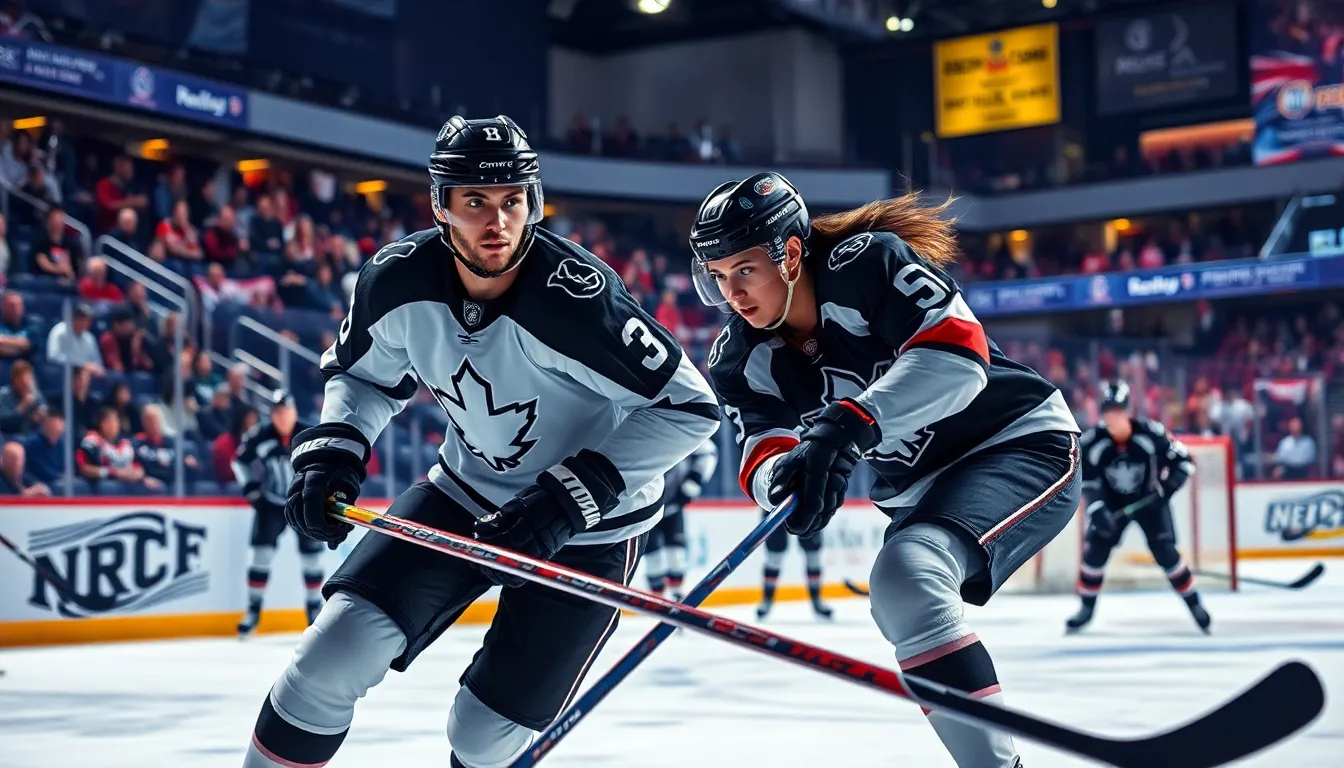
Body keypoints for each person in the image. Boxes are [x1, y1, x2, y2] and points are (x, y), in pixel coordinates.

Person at [242, 116, 719, 768]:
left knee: (482, 736)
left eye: (512, 200)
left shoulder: (579, 299)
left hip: (590, 529)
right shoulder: (395, 279)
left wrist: (569, 498)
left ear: (534, 202)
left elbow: (689, 406)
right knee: (325, 664)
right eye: (475, 202)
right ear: (440, 205)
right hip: (465, 493)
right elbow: (362, 376)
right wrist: (337, 448)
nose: (498, 222)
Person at [690, 172, 1080, 768]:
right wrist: (785, 480)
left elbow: (959, 358)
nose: (733, 294)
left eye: (745, 269)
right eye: (718, 277)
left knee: (908, 575)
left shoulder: (867, 263)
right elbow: (760, 453)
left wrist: (852, 422)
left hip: (1015, 441)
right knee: (901, 587)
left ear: (790, 254)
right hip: (921, 488)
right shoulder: (740, 357)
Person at [1067, 381, 1209, 634]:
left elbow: (1184, 461)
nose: (1113, 417)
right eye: (1108, 411)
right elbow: (1084, 480)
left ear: (1128, 411)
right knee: (1095, 551)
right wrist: (1096, 508)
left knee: (1166, 553)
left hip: (1150, 502)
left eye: (1118, 410)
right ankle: (1086, 609)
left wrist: (1167, 488)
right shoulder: (1092, 442)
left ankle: (1194, 604)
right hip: (1112, 506)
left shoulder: (1151, 433)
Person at [233, 390, 323, 636]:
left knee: (311, 558)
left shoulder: (309, 434)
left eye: (286, 412)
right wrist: (250, 487)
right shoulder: (259, 435)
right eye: (277, 412)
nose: (282, 417)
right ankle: (253, 611)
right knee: (261, 556)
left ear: (294, 412)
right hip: (271, 503)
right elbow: (239, 461)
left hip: (303, 503)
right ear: (271, 415)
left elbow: (326, 464)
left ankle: (314, 610)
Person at [644, 437, 717, 600]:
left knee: (676, 556)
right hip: (648, 507)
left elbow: (708, 452)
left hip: (670, 505)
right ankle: (658, 599)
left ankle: (675, 596)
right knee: (653, 559)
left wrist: (695, 480)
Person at [755, 516, 833, 621]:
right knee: (774, 555)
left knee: (812, 553)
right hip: (775, 510)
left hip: (806, 508)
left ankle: (817, 600)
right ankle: (767, 600)